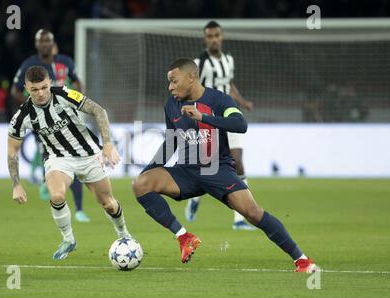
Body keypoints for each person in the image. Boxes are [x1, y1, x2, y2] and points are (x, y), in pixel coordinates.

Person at [132, 58, 319, 272]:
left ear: (191, 77)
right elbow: (171, 142)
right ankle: (184, 237)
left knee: (253, 212)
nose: (170, 87)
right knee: (140, 184)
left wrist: (203, 116)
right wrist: (148, 172)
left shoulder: (219, 100)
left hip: (217, 169)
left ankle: (302, 260)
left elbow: (240, 124)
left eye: (174, 81)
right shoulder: (171, 105)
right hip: (186, 172)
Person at [8, 65, 131, 260]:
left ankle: (124, 235)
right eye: (34, 90)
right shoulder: (22, 116)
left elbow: (99, 111)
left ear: (50, 83)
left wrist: (107, 144)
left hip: (89, 155)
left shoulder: (64, 94)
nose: (40, 93)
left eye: (44, 87)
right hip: (58, 159)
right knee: (56, 196)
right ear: (26, 88)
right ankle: (68, 239)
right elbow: (13, 150)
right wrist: (16, 185)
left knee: (107, 203)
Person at [10, 29, 90, 223]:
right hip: (43, 120)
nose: (45, 44)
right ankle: (47, 180)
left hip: (67, 119)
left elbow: (79, 83)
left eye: (48, 41)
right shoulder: (29, 64)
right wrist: (30, 107)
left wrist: (76, 103)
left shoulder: (65, 61)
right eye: (41, 41)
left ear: (53, 43)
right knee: (56, 156)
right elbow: (14, 90)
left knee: (74, 158)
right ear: (37, 44)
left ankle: (78, 208)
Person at [185, 21, 256, 231]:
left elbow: (229, 85)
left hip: (230, 117)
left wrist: (242, 102)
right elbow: (193, 90)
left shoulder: (229, 60)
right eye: (210, 36)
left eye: (217, 35)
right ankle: (195, 198)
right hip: (209, 122)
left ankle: (239, 219)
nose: (214, 39)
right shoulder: (200, 63)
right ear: (205, 38)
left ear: (221, 36)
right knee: (213, 169)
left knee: (237, 163)